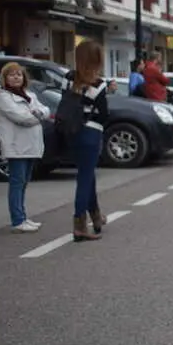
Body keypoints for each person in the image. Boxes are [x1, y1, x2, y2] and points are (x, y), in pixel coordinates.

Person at [0, 62, 49, 233]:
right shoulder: (3, 96)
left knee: (24, 182)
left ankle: (23, 216)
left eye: (19, 74)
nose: (16, 77)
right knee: (17, 183)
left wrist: (38, 114)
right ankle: (17, 220)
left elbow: (45, 110)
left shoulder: (29, 94)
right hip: (16, 146)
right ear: (5, 78)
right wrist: (37, 115)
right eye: (11, 74)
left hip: (31, 145)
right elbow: (21, 117)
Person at [70, 40, 108, 242]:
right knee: (85, 178)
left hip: (72, 132)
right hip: (91, 133)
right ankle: (79, 224)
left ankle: (96, 216)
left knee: (87, 173)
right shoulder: (98, 84)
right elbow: (104, 114)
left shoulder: (68, 79)